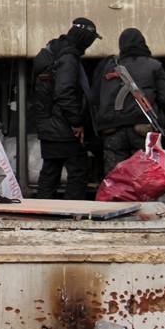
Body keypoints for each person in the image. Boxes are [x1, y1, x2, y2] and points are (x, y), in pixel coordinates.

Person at [31, 17, 101, 200]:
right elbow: (64, 92)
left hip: (48, 125)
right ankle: (72, 211)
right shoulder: (69, 57)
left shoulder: (52, 52)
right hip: (64, 128)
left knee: (50, 173)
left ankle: (43, 210)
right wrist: (77, 121)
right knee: (78, 172)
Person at [91, 28, 165, 176]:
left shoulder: (106, 66)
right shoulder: (153, 65)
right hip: (142, 126)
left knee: (116, 176)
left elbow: (95, 97)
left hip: (112, 128)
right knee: (143, 175)